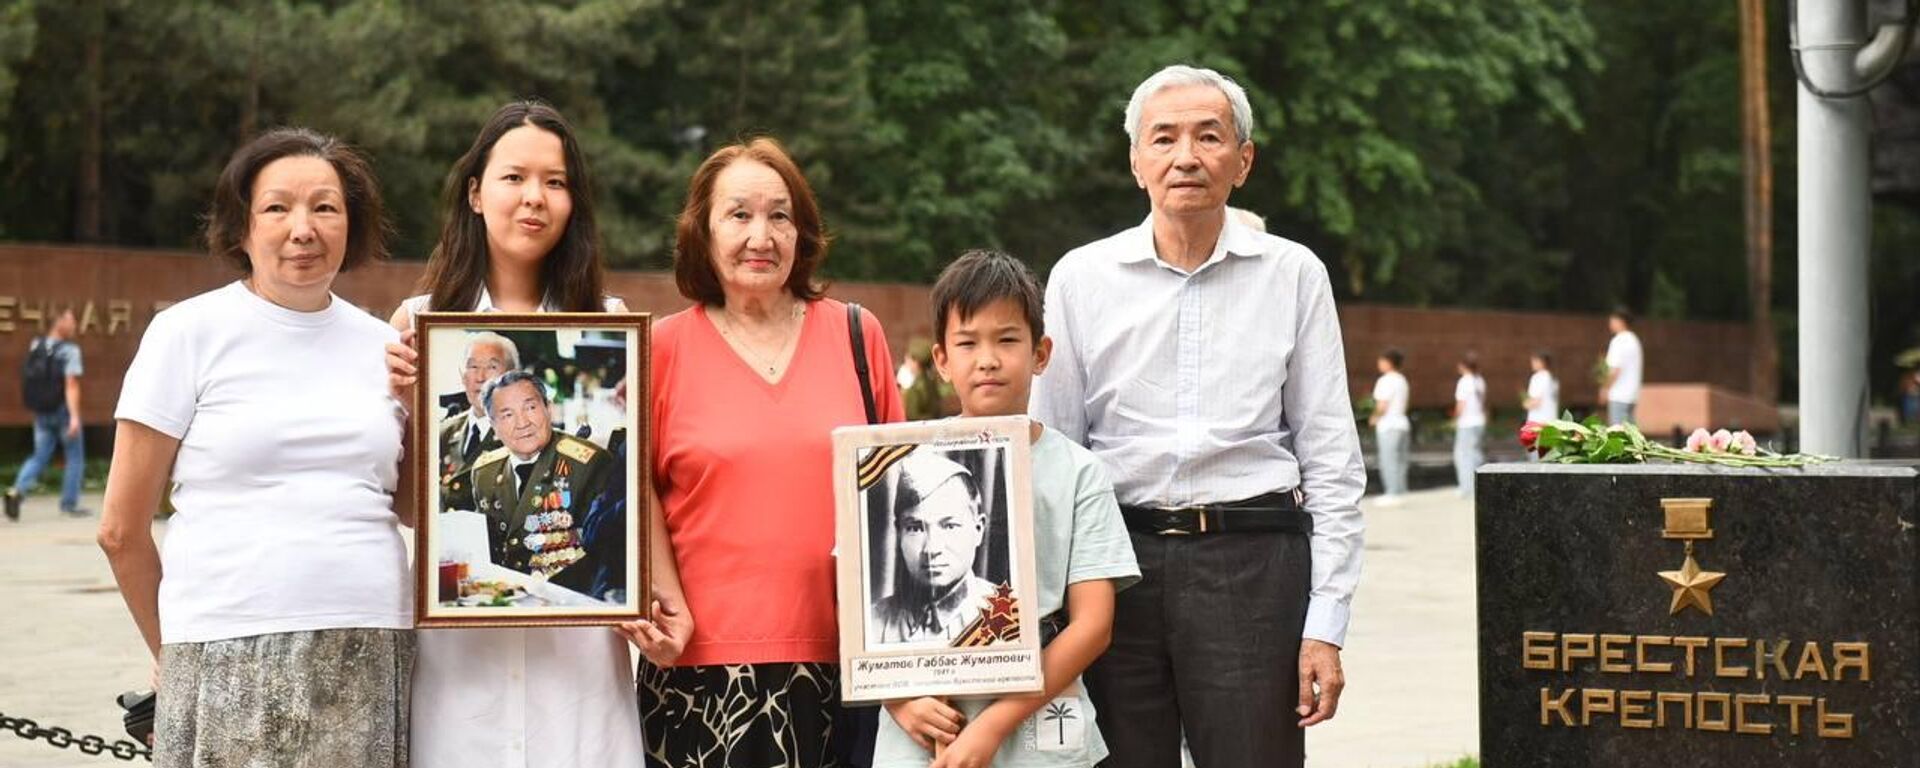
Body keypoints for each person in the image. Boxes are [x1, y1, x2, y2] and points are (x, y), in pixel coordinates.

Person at [1030, 64, 1364, 768]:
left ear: (1242, 162)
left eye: (1209, 137)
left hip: (1253, 566)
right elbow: (1050, 457)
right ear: (1135, 160)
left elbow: (1332, 462)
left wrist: (1324, 627)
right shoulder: (1079, 279)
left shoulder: (1294, 274)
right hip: (1111, 573)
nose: (1186, 156)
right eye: (1165, 138)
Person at [97, 127, 412, 766]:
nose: (304, 228)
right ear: (240, 228)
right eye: (277, 208)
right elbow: (120, 529)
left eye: (326, 207)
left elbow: (409, 506)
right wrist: (176, 651)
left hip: (373, 639)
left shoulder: (385, 347)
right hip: (224, 647)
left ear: (352, 226)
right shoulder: (186, 333)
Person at [384, 100, 685, 768]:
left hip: (577, 649)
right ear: (475, 192)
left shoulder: (609, 326)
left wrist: (665, 599)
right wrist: (405, 402)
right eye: (514, 177)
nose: (534, 199)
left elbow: (633, 491)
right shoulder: (419, 324)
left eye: (555, 182)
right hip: (460, 660)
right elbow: (408, 510)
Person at [644, 136, 904, 767]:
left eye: (779, 216)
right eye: (738, 215)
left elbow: (897, 486)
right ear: (702, 232)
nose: (761, 236)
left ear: (802, 233)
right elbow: (635, 491)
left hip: (848, 668)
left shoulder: (854, 333)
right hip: (701, 674)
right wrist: (663, 599)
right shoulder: (660, 349)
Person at [875, 249, 1139, 768]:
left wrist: (995, 722)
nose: (988, 359)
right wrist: (900, 701)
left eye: (1008, 340)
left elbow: (1093, 624)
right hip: (925, 724)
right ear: (942, 359)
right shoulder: (896, 462)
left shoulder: (1077, 471)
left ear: (1041, 353)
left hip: (1036, 720)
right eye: (968, 343)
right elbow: (852, 606)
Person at [468, 370, 618, 598]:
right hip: (505, 598)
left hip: (568, 600)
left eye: (530, 408)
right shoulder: (484, 471)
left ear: (548, 408)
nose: (523, 423)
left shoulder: (588, 465)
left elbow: (600, 557)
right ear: (493, 426)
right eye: (507, 415)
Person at [868, 451, 999, 646]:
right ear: (898, 534)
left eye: (949, 526)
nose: (931, 549)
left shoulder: (1008, 615)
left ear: (978, 529)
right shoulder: (872, 624)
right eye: (915, 528)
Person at [7, 307, 86, 520]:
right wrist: (75, 417)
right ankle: (69, 504)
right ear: (58, 321)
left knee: (39, 456)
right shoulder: (69, 351)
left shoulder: (36, 345)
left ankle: (16, 490)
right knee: (75, 457)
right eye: (70, 319)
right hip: (62, 411)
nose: (74, 325)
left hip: (41, 411)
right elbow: (71, 384)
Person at [437, 331, 516, 513]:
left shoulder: (520, 433)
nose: (480, 377)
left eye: (491, 367)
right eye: (472, 367)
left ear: (511, 377)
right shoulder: (443, 431)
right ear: (462, 376)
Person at [1369, 349, 1411, 501]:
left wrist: (1374, 418)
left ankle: (1392, 493)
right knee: (1400, 461)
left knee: (1389, 460)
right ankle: (1401, 491)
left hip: (1388, 425)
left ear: (1388, 363)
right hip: (1402, 423)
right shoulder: (1402, 380)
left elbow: (1382, 405)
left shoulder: (1385, 381)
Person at [1452, 354, 1487, 498]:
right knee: (1476, 454)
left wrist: (1455, 418)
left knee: (1463, 455)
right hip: (1479, 421)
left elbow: (1461, 404)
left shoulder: (1464, 381)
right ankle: (1479, 485)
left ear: (1463, 366)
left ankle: (1467, 487)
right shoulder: (1479, 380)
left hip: (1467, 423)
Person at [1603, 307, 1643, 425]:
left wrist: (1605, 387)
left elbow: (1614, 369)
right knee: (1630, 433)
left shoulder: (1618, 341)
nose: (1610, 324)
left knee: (1617, 432)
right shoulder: (1634, 340)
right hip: (1632, 395)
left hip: (1618, 394)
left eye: (1612, 321)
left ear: (1620, 321)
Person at [1524, 350, 1560, 425]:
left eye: (1535, 361)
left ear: (1543, 362)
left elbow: (1536, 400)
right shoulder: (1552, 377)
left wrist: (1526, 404)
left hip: (1538, 420)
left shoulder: (1539, 377)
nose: (1532, 364)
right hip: (1550, 419)